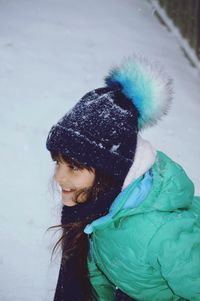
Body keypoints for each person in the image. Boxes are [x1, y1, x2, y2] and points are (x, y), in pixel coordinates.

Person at [46, 56, 200, 301]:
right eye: (57, 162)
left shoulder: (162, 234)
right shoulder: (97, 211)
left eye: (73, 167)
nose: (58, 177)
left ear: (110, 172)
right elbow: (96, 278)